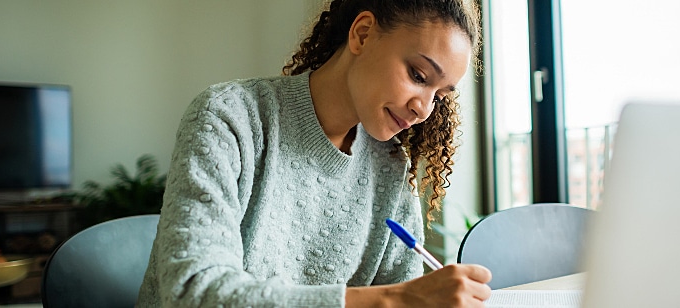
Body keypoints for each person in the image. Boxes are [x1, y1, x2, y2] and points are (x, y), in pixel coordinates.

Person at [137, 0, 490, 307]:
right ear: (363, 34)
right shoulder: (229, 117)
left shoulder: (390, 165)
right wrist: (393, 300)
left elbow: (407, 293)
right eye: (418, 75)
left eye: (439, 96)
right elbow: (192, 292)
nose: (423, 109)